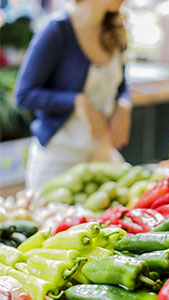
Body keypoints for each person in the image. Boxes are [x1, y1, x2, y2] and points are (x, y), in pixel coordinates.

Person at [15, 0, 132, 190]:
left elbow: (121, 85)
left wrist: (125, 103)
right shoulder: (57, 30)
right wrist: (76, 101)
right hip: (59, 159)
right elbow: (24, 94)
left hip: (103, 156)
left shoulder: (115, 29)